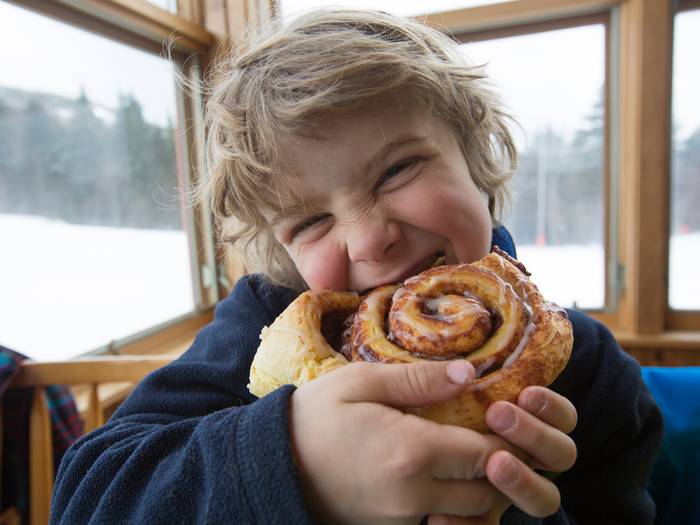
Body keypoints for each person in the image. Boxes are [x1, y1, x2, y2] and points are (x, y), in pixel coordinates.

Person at [51, 9, 662, 525]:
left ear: (476, 163)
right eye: (310, 223)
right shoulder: (264, 327)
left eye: (397, 170)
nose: (370, 239)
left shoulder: (589, 369)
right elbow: (86, 497)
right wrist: (294, 463)